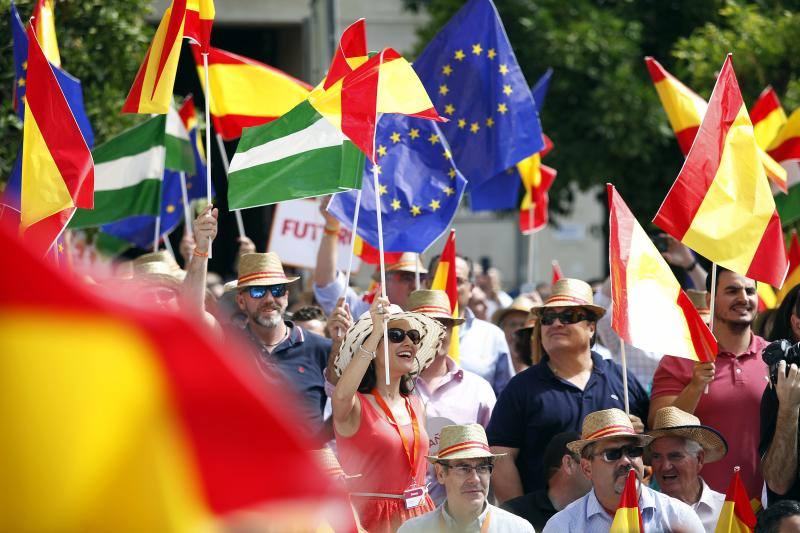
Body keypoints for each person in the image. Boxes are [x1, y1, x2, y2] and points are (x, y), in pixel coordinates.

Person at [487, 279, 649, 503]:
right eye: (547, 318)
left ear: (591, 327)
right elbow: (500, 456)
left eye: (568, 316)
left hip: (617, 516)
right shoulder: (521, 387)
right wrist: (523, 518)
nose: (556, 324)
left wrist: (636, 436)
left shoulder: (621, 380)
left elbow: (652, 449)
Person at [650, 267, 769, 497]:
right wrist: (695, 386)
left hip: (764, 508)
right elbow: (658, 428)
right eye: (732, 290)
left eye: (750, 291)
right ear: (709, 299)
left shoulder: (773, 357)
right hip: (698, 510)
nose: (743, 298)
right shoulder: (680, 356)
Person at [332, 296, 444, 532]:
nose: (409, 343)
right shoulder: (355, 404)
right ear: (373, 348)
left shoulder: (416, 403)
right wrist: (374, 334)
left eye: (413, 337)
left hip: (420, 514)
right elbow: (340, 395)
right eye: (395, 335)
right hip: (370, 521)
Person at [542, 409, 703, 532]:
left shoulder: (678, 516)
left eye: (633, 451)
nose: (626, 461)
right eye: (612, 454)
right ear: (587, 468)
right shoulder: (564, 526)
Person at [406, 289, 497, 504]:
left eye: (443, 325)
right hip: (399, 515)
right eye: (424, 325)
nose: (435, 333)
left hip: (462, 517)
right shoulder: (388, 387)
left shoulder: (478, 390)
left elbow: (493, 458)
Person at [227, 252, 332, 433]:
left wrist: (318, 446)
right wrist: (200, 254)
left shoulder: (321, 348)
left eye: (277, 290)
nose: (269, 299)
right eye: (258, 291)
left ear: (286, 296)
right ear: (241, 301)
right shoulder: (228, 345)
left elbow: (348, 407)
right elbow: (193, 316)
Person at [397, 424, 534, 532]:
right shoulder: (413, 530)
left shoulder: (518, 529)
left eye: (482, 468)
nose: (474, 479)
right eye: (463, 468)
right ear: (441, 474)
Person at [313, 199, 426, 316]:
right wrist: (331, 227)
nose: (415, 285)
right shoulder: (364, 314)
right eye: (406, 277)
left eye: (421, 277)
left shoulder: (434, 318)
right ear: (385, 281)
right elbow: (328, 284)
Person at [427, 254, 512, 396]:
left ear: (471, 288)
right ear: (427, 283)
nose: (449, 286)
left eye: (457, 280)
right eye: (442, 278)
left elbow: (506, 397)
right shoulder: (410, 334)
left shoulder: (492, 336)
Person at [647, 406, 728, 532]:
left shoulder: (727, 510)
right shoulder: (643, 514)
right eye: (657, 457)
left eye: (675, 456)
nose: (665, 466)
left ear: (699, 459)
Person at [501, 431, 591, 531]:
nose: (598, 468)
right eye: (588, 460)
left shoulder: (601, 513)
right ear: (568, 463)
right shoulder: (513, 514)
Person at [493, 295, 538, 374]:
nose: (517, 330)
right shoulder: (491, 368)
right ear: (502, 329)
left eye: (523, 324)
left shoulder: (544, 371)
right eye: (512, 324)